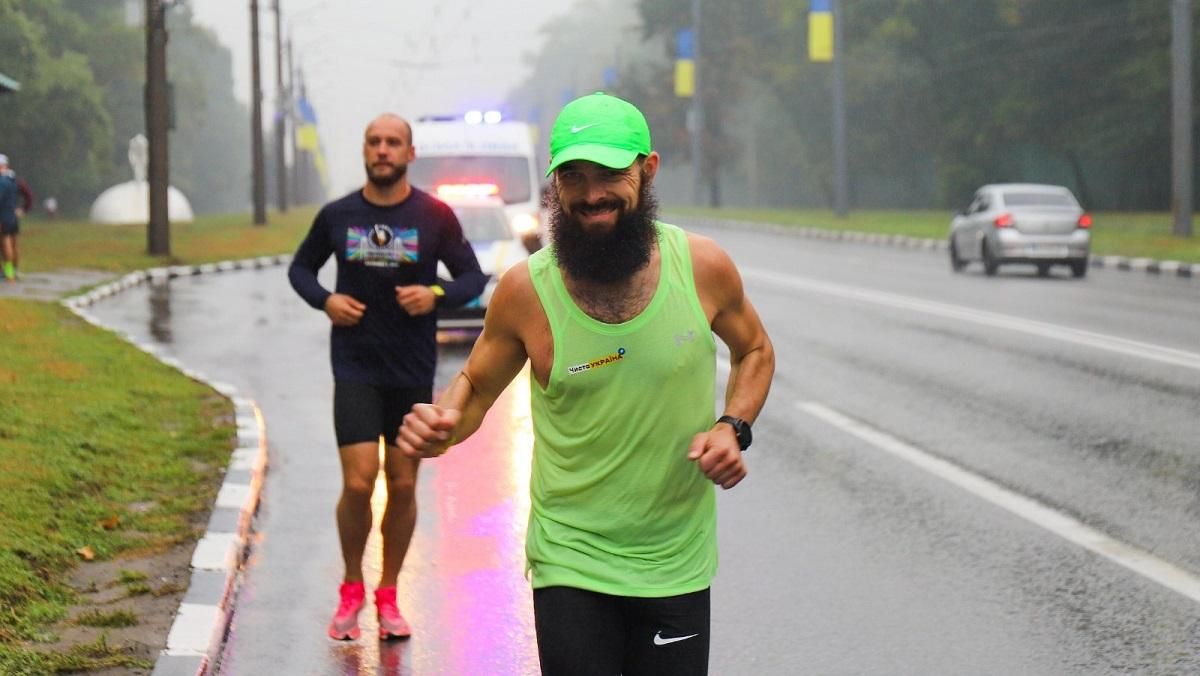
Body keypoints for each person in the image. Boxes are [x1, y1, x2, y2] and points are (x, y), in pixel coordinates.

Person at [396, 92, 775, 674]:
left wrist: (732, 426)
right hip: (570, 558)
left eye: (609, 174)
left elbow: (754, 350)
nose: (591, 194)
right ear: (554, 184)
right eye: (573, 176)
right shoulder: (526, 290)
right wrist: (442, 425)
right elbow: (473, 386)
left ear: (648, 170)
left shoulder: (701, 267)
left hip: (674, 560)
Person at [288, 113, 487, 641]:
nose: (382, 150)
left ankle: (389, 593)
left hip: (411, 370)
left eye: (393, 142)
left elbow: (472, 277)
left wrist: (435, 294)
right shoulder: (338, 214)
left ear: (409, 153)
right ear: (364, 150)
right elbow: (300, 269)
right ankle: (352, 586)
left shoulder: (433, 215)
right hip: (355, 366)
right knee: (358, 482)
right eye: (374, 141)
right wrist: (326, 300)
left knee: (402, 483)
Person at [0, 154, 31, 281]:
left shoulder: (2, 181)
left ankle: (9, 273)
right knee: (13, 244)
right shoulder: (14, 180)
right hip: (13, 217)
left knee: (5, 243)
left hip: (3, 217)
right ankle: (14, 270)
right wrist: (24, 209)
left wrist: (24, 209)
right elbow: (29, 195)